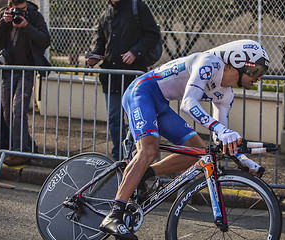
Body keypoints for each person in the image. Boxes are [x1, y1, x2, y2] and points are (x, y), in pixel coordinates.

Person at [99, 39, 270, 239]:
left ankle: (145, 173)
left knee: (197, 151)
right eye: (255, 71)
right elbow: (188, 103)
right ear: (237, 62)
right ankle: (114, 214)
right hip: (142, 91)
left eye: (262, 74)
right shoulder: (208, 63)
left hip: (161, 104)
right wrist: (222, 130)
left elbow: (219, 138)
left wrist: (245, 161)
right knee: (149, 150)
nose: (258, 78)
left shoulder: (226, 94)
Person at [86, 0, 161, 161]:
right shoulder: (106, 14)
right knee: (114, 120)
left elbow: (152, 35)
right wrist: (94, 57)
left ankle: (137, 157)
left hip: (134, 79)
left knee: (137, 121)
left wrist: (135, 52)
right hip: (111, 78)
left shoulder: (137, 7)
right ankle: (119, 159)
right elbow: (101, 43)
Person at [0, 0, 50, 165]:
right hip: (7, 70)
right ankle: (26, 146)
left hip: (26, 70)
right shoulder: (4, 15)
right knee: (7, 113)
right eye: (17, 10)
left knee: (18, 110)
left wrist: (26, 26)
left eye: (23, 9)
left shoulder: (34, 16)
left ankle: (20, 152)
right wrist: (3, 22)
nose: (20, 12)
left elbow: (45, 40)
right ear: (10, 7)